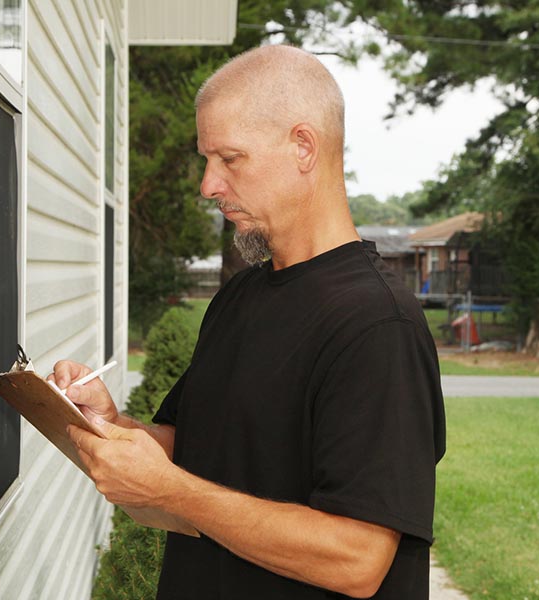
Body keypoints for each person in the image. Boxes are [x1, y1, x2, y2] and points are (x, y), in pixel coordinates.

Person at [52, 44, 446, 599]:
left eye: (230, 159)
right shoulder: (241, 295)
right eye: (206, 160)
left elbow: (357, 559)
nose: (208, 185)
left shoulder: (378, 325)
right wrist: (112, 424)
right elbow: (194, 450)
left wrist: (175, 492)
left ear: (303, 147)